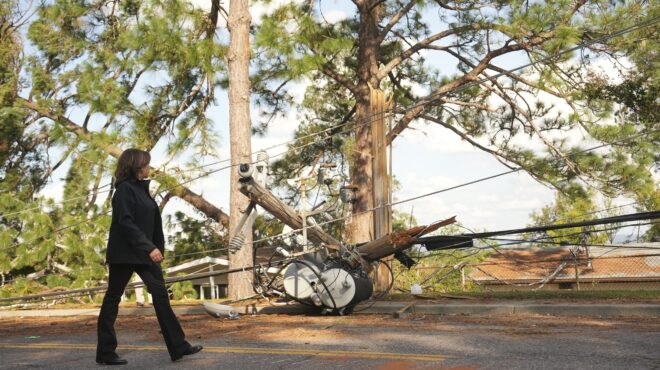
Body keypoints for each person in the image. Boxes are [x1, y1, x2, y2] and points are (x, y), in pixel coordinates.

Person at [96, 149, 202, 365]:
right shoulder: (124, 190)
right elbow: (125, 222)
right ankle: (105, 352)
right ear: (136, 166)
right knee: (113, 298)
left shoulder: (142, 190)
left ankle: (179, 346)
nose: (149, 167)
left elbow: (152, 223)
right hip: (125, 254)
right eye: (146, 164)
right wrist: (149, 247)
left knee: (161, 295)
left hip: (145, 254)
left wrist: (156, 248)